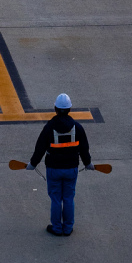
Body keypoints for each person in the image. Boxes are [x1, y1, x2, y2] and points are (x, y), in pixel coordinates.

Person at [25, 93, 93, 237]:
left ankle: (56, 228)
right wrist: (88, 163)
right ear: (70, 109)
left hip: (54, 169)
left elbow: (40, 147)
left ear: (55, 108)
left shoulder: (49, 127)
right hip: (71, 169)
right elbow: (84, 149)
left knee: (56, 199)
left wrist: (32, 163)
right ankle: (68, 228)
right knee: (68, 198)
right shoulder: (77, 127)